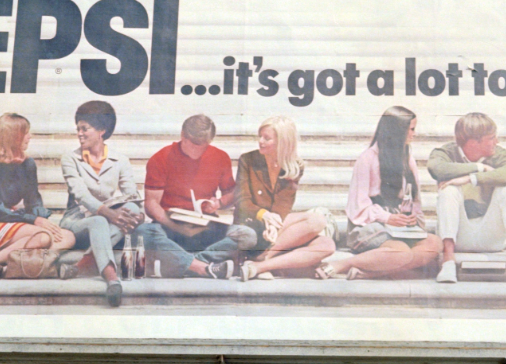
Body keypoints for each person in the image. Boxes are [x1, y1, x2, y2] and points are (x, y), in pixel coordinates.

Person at [315, 106, 442, 280]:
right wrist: (388, 218)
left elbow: (414, 200)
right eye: (411, 129)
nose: (414, 134)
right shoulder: (367, 159)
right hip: (369, 225)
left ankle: (367, 273)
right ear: (397, 131)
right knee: (401, 252)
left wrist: (412, 217)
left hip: (400, 226)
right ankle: (342, 264)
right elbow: (359, 206)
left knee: (434, 243)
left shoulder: (408, 159)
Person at [136, 114, 256, 279]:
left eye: (202, 146)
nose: (195, 149)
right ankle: (206, 268)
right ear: (182, 135)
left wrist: (218, 203)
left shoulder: (220, 157)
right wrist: (176, 226)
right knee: (143, 231)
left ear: (210, 142)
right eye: (191, 144)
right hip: (171, 227)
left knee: (248, 235)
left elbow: (231, 194)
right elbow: (151, 204)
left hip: (206, 226)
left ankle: (189, 264)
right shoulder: (161, 158)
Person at [0, 113, 75, 279]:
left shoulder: (28, 164)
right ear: (12, 138)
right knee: (43, 237)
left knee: (68, 237)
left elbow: (33, 201)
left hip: (14, 220)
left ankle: (9, 269)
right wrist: (35, 221)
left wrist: (41, 217)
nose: (30, 137)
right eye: (25, 133)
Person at [426, 113, 506, 285]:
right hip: (458, 235)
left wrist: (472, 178)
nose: (496, 141)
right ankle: (448, 263)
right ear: (474, 142)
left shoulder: (497, 154)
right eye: (491, 138)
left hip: (492, 235)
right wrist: (479, 167)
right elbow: (436, 168)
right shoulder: (445, 152)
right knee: (449, 190)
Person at [58, 101, 143, 306]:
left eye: (85, 128)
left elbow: (132, 194)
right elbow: (80, 194)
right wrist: (110, 214)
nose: (79, 133)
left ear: (102, 131)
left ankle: (82, 265)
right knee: (98, 221)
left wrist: (139, 214)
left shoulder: (120, 160)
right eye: (78, 128)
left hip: (106, 221)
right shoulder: (70, 158)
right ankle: (112, 279)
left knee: (131, 208)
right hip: (77, 220)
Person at [235, 116, 336, 281]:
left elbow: (284, 204)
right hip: (253, 223)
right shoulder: (248, 160)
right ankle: (266, 260)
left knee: (327, 244)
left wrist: (274, 226)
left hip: (275, 228)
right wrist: (264, 216)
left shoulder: (295, 165)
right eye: (260, 136)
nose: (260, 141)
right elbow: (242, 201)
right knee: (316, 221)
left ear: (282, 142)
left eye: (267, 138)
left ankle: (260, 264)